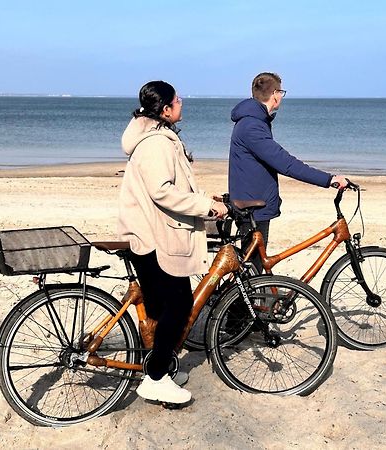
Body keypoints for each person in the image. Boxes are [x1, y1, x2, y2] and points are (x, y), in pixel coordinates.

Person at [118, 80, 228, 405]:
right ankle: (154, 378)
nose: (182, 101)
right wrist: (205, 207)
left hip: (151, 230)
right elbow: (162, 190)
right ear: (166, 109)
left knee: (162, 306)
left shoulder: (158, 138)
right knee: (180, 304)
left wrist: (206, 198)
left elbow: (171, 185)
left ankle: (160, 368)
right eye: (177, 98)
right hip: (150, 235)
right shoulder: (156, 143)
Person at [228, 72, 348, 271]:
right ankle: (244, 301)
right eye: (281, 92)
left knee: (254, 268)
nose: (282, 96)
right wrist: (329, 179)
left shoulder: (255, 120)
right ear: (275, 94)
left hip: (255, 201)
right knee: (254, 271)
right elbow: (286, 164)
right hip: (253, 207)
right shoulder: (252, 125)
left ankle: (253, 299)